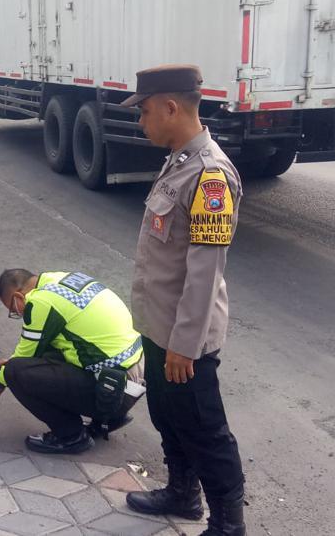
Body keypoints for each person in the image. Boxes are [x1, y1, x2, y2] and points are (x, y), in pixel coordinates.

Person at [120, 64, 247, 535]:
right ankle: (181, 494)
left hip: (184, 337)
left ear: (172, 108)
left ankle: (229, 524)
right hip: (159, 327)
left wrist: (183, 345)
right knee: (167, 415)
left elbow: (204, 272)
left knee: (204, 428)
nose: (142, 121)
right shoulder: (178, 161)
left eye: (146, 111)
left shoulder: (210, 176)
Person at [0, 269, 146, 454]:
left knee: (14, 372)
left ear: (18, 296)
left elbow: (24, 358)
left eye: (14, 309)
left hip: (113, 391)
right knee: (42, 355)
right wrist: (12, 362)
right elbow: (37, 349)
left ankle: (71, 436)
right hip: (130, 380)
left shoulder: (40, 302)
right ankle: (106, 420)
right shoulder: (63, 280)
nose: (18, 314)